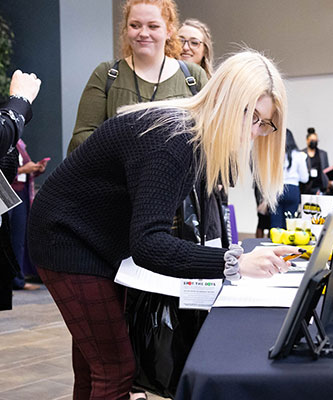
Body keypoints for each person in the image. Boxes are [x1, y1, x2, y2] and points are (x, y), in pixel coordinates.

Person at [27, 50, 301, 400]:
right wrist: (235, 263)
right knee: (115, 370)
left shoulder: (193, 137)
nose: (255, 132)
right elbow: (149, 244)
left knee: (95, 366)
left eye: (264, 122)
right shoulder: (172, 141)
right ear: (225, 101)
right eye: (251, 116)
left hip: (100, 242)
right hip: (65, 240)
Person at [67, 0, 208, 154]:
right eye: (135, 25)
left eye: (153, 26)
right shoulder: (106, 74)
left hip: (176, 175)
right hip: (119, 176)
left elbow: (208, 136)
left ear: (169, 30)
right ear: (126, 29)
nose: (143, 33)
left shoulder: (193, 77)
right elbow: (81, 137)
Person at [0, 69, 41, 311]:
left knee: (16, 240)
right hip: (12, 191)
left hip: (10, 194)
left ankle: (15, 278)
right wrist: (20, 99)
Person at [9, 139, 49, 290]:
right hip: (5, 192)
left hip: (20, 193)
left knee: (18, 240)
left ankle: (17, 280)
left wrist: (36, 168)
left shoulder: (19, 143)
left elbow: (24, 168)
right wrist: (21, 170)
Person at [270, 129, 309, 228]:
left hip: (276, 189)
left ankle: (274, 242)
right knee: (290, 224)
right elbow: (305, 178)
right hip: (293, 190)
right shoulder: (300, 155)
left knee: (275, 225)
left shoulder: (273, 154)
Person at [300, 127, 329, 194]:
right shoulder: (301, 154)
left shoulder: (323, 154)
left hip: (320, 187)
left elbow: (326, 170)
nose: (314, 142)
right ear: (307, 140)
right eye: (312, 140)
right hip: (306, 187)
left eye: (316, 140)